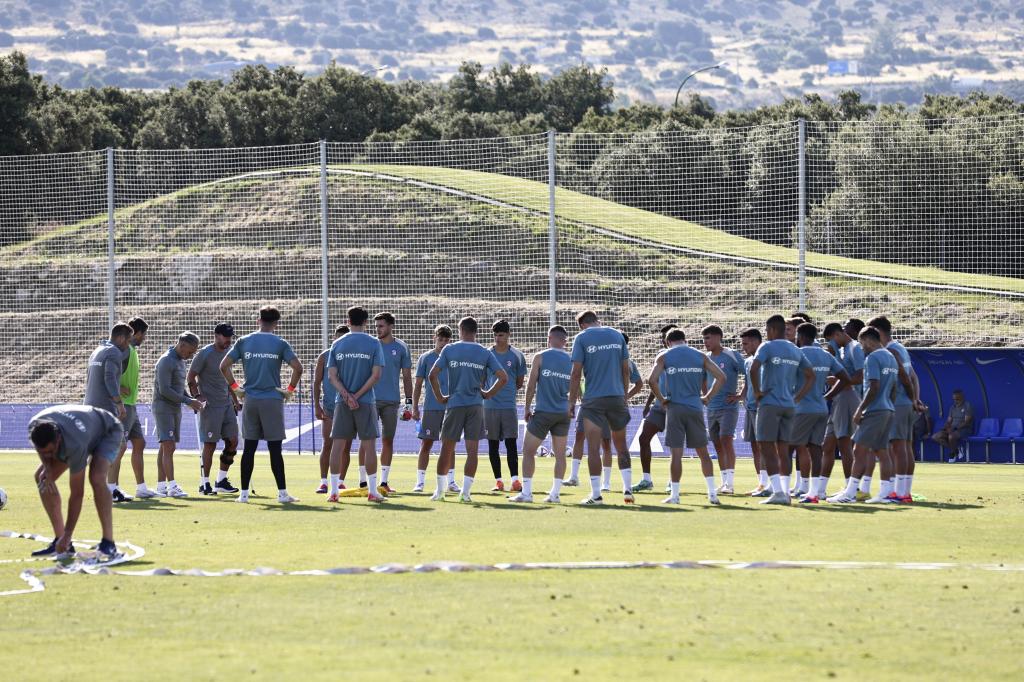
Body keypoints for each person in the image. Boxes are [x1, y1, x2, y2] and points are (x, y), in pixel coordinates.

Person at [220, 305, 303, 504]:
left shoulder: (244, 341)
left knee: (249, 448)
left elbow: (223, 366)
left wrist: (236, 387)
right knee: (275, 449)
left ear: (259, 320)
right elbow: (298, 368)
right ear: (276, 323)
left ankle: (244, 494)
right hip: (272, 400)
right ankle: (282, 494)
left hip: (251, 400)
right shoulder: (280, 343)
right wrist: (289, 390)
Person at [28, 405, 125, 561]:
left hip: (108, 430)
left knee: (97, 477)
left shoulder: (74, 444)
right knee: (42, 477)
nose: (47, 456)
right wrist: (47, 467)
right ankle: (61, 542)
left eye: (51, 453)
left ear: (58, 440)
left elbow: (77, 494)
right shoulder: (34, 426)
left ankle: (108, 543)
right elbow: (45, 452)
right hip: (82, 430)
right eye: (42, 453)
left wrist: (69, 533)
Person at [428, 316, 507, 502]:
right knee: (473, 450)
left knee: (446, 449)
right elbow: (503, 377)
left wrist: (440, 397)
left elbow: (432, 375)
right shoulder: (484, 352)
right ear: (476, 331)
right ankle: (466, 493)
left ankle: (440, 492)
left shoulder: (450, 349)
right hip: (475, 406)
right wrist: (487, 393)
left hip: (455, 404)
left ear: (460, 330)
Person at [648, 328, 727, 505]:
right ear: (685, 340)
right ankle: (712, 494)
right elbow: (721, 377)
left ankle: (675, 495)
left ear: (668, 342)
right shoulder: (700, 355)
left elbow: (651, 380)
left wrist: (662, 400)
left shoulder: (664, 356)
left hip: (675, 408)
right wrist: (707, 397)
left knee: (676, 454)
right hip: (695, 407)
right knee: (704, 454)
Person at [568, 310, 633, 506]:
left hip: (594, 399)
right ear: (598, 320)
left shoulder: (581, 337)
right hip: (616, 397)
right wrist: (624, 395)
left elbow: (575, 373)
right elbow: (625, 370)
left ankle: (596, 495)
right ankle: (628, 490)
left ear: (582, 325)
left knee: (594, 448)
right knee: (621, 445)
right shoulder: (616, 335)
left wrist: (571, 402)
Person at [828, 327, 899, 504]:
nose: (861, 347)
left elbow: (873, 387)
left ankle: (850, 493)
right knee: (882, 452)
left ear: (868, 340)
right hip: (888, 409)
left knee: (858, 450)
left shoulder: (873, 358)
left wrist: (860, 409)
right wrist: (889, 405)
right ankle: (886, 493)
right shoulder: (891, 357)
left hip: (875, 410)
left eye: (861, 343)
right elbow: (894, 389)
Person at [748, 314, 814, 505]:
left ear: (771, 330)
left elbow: (754, 369)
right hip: (789, 405)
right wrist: (798, 397)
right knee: (783, 449)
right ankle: (785, 492)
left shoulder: (767, 346)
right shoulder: (795, 350)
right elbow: (810, 375)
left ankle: (777, 491)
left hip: (770, 403)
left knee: (766, 447)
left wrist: (758, 392)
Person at [326, 307, 385, 503]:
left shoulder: (337, 343)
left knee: (338, 446)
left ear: (348, 320)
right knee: (369, 446)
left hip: (342, 402)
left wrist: (346, 395)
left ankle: (333, 491)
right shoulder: (373, 343)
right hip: (365, 401)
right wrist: (357, 396)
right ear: (366, 322)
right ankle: (372, 491)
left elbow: (332, 376)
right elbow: (376, 375)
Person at [509, 325, 574, 503]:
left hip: (544, 411)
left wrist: (527, 407)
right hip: (563, 412)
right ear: (564, 341)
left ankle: (527, 493)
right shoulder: (572, 360)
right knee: (560, 455)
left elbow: (531, 385)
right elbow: (577, 387)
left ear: (551, 338)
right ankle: (555, 494)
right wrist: (572, 405)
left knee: (528, 451)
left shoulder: (540, 356)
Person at [869, 315, 925, 503]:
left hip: (899, 403)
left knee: (898, 448)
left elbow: (906, 378)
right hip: (907, 403)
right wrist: (915, 400)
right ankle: (903, 492)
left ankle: (900, 493)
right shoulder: (900, 348)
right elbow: (914, 377)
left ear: (877, 332)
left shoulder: (891, 351)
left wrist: (911, 399)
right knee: (905, 447)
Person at [793, 323, 850, 504]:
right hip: (821, 408)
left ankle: (783, 489)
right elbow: (846, 378)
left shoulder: (797, 354)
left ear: (800, 336)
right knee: (815, 448)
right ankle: (815, 492)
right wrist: (826, 396)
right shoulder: (825, 355)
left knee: (787, 447)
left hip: (801, 408)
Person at [188, 323, 241, 496]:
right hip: (210, 407)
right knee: (210, 444)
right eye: (225, 336)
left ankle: (221, 480)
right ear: (216, 335)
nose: (228, 340)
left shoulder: (228, 353)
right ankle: (205, 483)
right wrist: (197, 396)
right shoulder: (205, 354)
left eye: (230, 337)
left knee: (233, 441)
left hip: (226, 405)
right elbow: (191, 376)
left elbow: (228, 379)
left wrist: (235, 400)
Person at [152, 332, 205, 498]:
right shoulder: (166, 360)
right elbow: (165, 389)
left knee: (165, 447)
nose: (191, 355)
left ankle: (161, 487)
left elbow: (178, 387)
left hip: (174, 408)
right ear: (182, 345)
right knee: (169, 446)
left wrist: (190, 399)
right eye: (190, 351)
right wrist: (187, 401)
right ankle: (172, 486)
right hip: (163, 408)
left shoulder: (180, 361)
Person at [109, 317, 157, 500]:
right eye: (144, 334)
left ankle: (141, 487)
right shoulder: (124, 351)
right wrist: (119, 389)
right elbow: (109, 371)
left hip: (131, 405)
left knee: (139, 442)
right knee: (119, 447)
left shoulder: (132, 351)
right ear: (136, 333)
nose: (145, 338)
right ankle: (112, 487)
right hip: (123, 405)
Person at [83, 323, 131, 501]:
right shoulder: (114, 352)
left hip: (91, 406)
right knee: (118, 446)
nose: (128, 345)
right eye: (127, 341)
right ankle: (107, 489)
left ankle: (108, 488)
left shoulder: (98, 349)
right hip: (105, 407)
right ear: (120, 338)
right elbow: (109, 377)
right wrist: (119, 403)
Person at [821, 319, 866, 496]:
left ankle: (851, 490)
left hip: (849, 397)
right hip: (840, 398)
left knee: (844, 443)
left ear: (838, 334)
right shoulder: (844, 349)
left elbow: (861, 375)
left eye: (832, 339)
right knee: (828, 444)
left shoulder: (854, 348)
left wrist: (840, 381)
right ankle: (820, 490)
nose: (832, 343)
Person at [412, 325, 457, 493]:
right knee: (426, 444)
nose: (443, 343)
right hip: (431, 407)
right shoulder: (425, 358)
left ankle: (451, 481)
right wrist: (415, 407)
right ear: (434, 338)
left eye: (446, 340)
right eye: (440, 339)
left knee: (450, 445)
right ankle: (420, 482)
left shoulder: (454, 357)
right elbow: (418, 384)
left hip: (451, 407)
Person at [633, 324, 677, 493]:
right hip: (659, 406)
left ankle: (672, 481)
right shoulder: (661, 356)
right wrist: (647, 404)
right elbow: (654, 381)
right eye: (664, 337)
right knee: (643, 439)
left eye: (668, 336)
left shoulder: (685, 356)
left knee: (674, 444)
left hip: (675, 406)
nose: (665, 340)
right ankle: (646, 480)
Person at [484, 319, 527, 492]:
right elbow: (481, 378)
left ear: (508, 335)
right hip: (489, 406)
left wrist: (506, 392)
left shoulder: (517, 355)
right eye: (495, 335)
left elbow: (519, 382)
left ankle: (515, 480)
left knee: (511, 443)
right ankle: (499, 481)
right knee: (492, 445)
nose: (497, 338)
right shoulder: (486, 354)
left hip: (509, 406)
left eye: (501, 335)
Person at [701, 325, 744, 495]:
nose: (706, 342)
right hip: (712, 407)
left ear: (719, 337)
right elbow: (703, 380)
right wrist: (706, 397)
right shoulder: (705, 358)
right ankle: (724, 481)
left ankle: (730, 484)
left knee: (726, 439)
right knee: (717, 444)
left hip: (728, 406)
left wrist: (741, 395)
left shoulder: (731, 355)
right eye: (704, 338)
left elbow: (748, 373)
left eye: (709, 338)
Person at [373, 312, 413, 493]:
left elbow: (406, 377)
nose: (378, 329)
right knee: (368, 441)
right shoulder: (371, 344)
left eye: (381, 326)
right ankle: (364, 483)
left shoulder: (402, 347)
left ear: (390, 326)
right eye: (377, 326)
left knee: (387, 440)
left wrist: (409, 402)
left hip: (392, 401)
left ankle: (383, 482)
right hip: (370, 400)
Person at [312, 325, 348, 494]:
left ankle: (341, 481)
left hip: (347, 406)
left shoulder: (352, 357)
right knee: (327, 443)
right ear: (334, 338)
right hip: (329, 406)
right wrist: (317, 406)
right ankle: (324, 481)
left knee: (346, 446)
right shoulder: (324, 356)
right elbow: (317, 382)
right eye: (338, 337)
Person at [737, 328, 769, 496]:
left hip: (761, 407)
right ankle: (761, 482)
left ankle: (768, 483)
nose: (743, 347)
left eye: (746, 343)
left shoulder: (764, 359)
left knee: (765, 446)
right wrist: (741, 395)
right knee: (755, 446)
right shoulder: (748, 360)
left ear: (757, 342)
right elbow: (749, 382)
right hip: (749, 407)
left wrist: (760, 398)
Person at [933, 389, 974, 462]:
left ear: (962, 397)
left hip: (964, 429)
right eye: (954, 399)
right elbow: (949, 421)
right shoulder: (952, 407)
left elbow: (966, 422)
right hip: (952, 429)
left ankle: (952, 454)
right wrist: (945, 428)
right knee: (935, 437)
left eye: (957, 399)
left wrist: (954, 428)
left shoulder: (967, 405)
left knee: (951, 436)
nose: (955, 401)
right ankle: (956, 449)